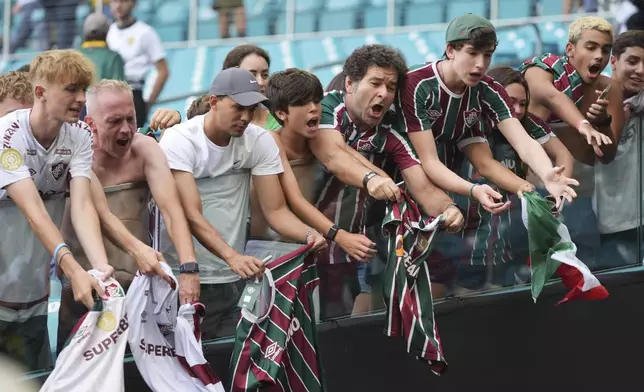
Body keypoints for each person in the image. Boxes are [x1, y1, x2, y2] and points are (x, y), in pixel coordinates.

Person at [159, 68, 326, 339]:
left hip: (234, 279)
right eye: (238, 107)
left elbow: (276, 211)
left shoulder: (259, 140)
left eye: (252, 109)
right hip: (183, 278)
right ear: (214, 102)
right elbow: (190, 214)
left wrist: (309, 234)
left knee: (229, 367)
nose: (246, 117)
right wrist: (232, 256)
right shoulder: (180, 139)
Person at [310, 44, 465, 311]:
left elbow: (422, 187)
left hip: (353, 248)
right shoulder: (328, 108)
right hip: (309, 244)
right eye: (375, 83)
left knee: (344, 329)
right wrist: (372, 178)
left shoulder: (391, 130)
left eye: (391, 87)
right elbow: (333, 156)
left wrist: (448, 209)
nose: (384, 93)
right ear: (350, 83)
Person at [57, 80, 201, 349]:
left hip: (137, 290)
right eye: (114, 121)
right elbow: (99, 215)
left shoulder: (144, 149)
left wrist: (188, 268)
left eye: (131, 119)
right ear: (90, 123)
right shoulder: (74, 158)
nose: (125, 129)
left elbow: (172, 211)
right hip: (83, 290)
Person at [0, 49, 113, 371]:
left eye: (83, 90)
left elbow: (81, 205)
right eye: (70, 89)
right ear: (40, 92)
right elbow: (34, 211)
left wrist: (98, 267)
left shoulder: (78, 135)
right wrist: (74, 270)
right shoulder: (7, 135)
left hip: (32, 299)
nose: (80, 98)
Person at [396, 14, 578, 213]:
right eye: (472, 53)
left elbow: (523, 143)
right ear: (450, 50)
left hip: (445, 181)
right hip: (398, 175)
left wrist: (546, 174)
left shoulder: (488, 90)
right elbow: (429, 161)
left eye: (487, 55)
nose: (481, 64)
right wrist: (473, 190)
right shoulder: (416, 83)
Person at [452, 66, 575, 293]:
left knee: (499, 297)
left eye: (523, 103)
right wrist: (526, 188)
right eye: (510, 101)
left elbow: (563, 154)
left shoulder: (529, 123)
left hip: (505, 232)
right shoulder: (470, 122)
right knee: (465, 296)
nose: (516, 110)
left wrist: (558, 189)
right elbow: (485, 165)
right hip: (464, 234)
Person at [521, 16, 622, 268]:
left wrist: (602, 122)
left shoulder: (610, 89)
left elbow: (607, 155)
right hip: (529, 196)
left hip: (579, 201)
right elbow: (551, 96)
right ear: (570, 49)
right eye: (591, 47)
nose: (599, 55)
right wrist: (583, 124)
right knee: (526, 274)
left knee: (585, 271)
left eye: (605, 50)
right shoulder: (542, 69)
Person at [248, 68, 375, 265]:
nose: (314, 108)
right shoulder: (270, 140)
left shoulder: (320, 141)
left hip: (308, 248)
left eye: (316, 100)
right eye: (302, 103)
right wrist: (340, 236)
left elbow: (358, 163)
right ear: (281, 113)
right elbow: (295, 201)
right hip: (265, 251)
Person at [594, 30, 644, 268]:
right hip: (605, 225)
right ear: (613, 61)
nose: (641, 70)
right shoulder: (591, 100)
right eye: (632, 61)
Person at [107, 0, 169, 127]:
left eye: (123, 1)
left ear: (134, 4)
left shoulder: (145, 32)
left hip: (133, 92)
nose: (118, 5)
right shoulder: (110, 31)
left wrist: (149, 101)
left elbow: (163, 70)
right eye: (114, 1)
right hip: (111, 92)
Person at [79, 12, 126, 121]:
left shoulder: (73, 55)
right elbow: (119, 90)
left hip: (79, 113)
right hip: (104, 113)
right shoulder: (114, 57)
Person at [223, 45, 280, 130]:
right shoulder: (219, 124)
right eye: (251, 75)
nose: (260, 82)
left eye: (265, 75)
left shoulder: (280, 123)